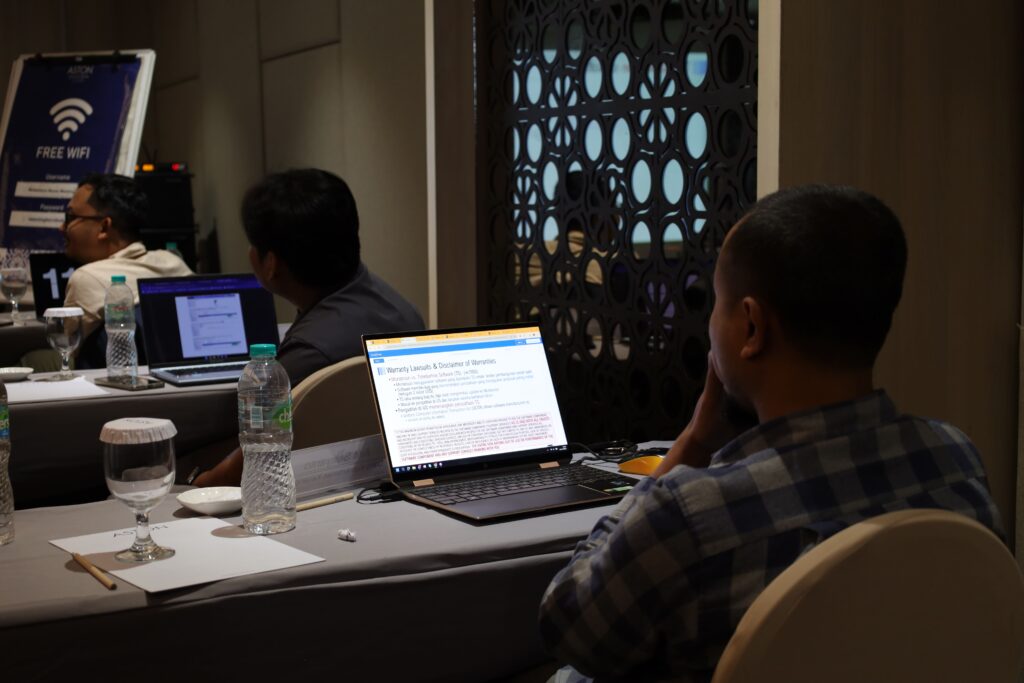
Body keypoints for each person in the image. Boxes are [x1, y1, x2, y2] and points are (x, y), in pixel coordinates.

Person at [537, 185, 1003, 682]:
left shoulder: (690, 515)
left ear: (752, 328)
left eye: (716, 303)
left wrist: (692, 442)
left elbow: (570, 625)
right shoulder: (955, 460)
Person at [193, 168, 423, 487]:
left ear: (270, 264)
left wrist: (198, 482)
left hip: (298, 491)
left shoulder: (309, 352)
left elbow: (255, 456)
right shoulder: (404, 312)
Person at [62, 173, 192, 341]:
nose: (62, 227)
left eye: (70, 217)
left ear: (104, 227)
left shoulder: (87, 278)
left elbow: (69, 349)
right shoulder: (173, 263)